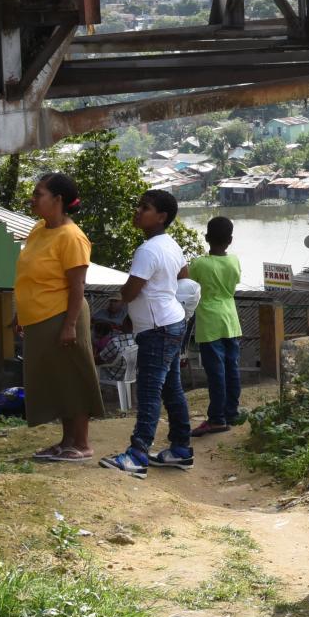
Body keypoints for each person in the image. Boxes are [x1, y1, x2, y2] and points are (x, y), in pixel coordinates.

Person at [101, 190, 193, 475]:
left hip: (157, 329)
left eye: (146, 207)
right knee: (171, 388)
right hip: (172, 322)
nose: (138, 211)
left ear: (162, 217)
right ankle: (180, 448)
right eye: (139, 205)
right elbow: (184, 277)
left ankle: (137, 454)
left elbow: (131, 290)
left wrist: (121, 301)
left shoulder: (147, 250)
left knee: (150, 390)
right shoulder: (171, 246)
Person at [16, 172, 103, 462]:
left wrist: (69, 326)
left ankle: (82, 443)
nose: (33, 198)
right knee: (58, 381)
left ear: (58, 200)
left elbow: (78, 287)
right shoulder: (39, 229)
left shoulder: (72, 236)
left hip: (63, 316)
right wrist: (21, 313)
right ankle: (66, 441)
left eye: (38, 193)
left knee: (73, 379)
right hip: (40, 317)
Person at [188, 218, 244, 435]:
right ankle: (231, 412)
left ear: (206, 237)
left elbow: (189, 285)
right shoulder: (234, 261)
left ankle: (216, 418)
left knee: (216, 372)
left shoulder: (199, 264)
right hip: (231, 319)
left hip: (210, 321)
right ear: (230, 240)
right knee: (232, 368)